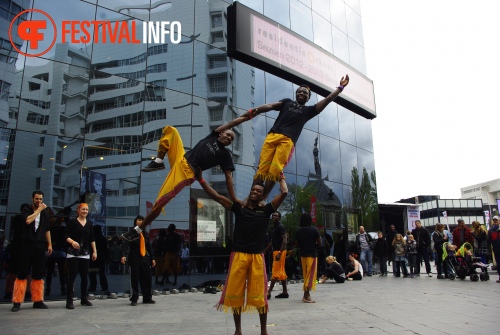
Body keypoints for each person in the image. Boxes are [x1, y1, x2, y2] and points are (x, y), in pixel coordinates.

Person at [216, 75, 349, 199]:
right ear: (296, 94)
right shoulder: (287, 102)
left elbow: (328, 99)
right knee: (262, 169)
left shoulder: (308, 111)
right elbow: (270, 105)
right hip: (272, 137)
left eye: (305, 93)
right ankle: (251, 199)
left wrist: (340, 88)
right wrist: (255, 111)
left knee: (275, 170)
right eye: (300, 91)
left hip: (287, 141)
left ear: (308, 98)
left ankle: (262, 199)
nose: (302, 93)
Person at [198, 171, 288, 335]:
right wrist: (201, 179)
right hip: (238, 256)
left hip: (256, 257)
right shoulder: (239, 208)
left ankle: (263, 331)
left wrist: (281, 177)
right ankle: (238, 330)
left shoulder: (266, 210)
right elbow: (217, 196)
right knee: (235, 295)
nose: (254, 192)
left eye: (258, 191)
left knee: (260, 295)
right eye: (253, 190)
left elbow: (284, 192)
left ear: (263, 196)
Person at [121, 123, 238, 242]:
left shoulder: (225, 154)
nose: (229, 138)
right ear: (221, 133)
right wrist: (250, 114)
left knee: (160, 202)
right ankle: (158, 161)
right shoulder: (212, 137)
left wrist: (234, 198)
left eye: (232, 139)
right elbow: (234, 122)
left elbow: (228, 176)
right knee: (171, 131)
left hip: (186, 173)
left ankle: (137, 230)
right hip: (181, 158)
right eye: (228, 135)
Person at [11, 191, 52, 312]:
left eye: (40, 199)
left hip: (39, 245)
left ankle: (38, 300)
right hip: (26, 244)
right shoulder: (27, 209)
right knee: (23, 272)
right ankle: (17, 301)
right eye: (37, 199)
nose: (39, 201)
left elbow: (47, 229)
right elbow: (28, 221)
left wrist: (49, 243)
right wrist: (38, 210)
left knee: (38, 273)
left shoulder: (45, 214)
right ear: (32, 198)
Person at [65, 203, 97, 309]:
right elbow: (65, 235)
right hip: (73, 252)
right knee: (72, 277)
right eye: (83, 209)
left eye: (87, 209)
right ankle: (69, 300)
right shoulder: (72, 222)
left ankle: (84, 298)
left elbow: (92, 238)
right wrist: (72, 241)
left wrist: (94, 251)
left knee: (85, 276)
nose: (85, 211)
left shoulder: (89, 223)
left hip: (85, 253)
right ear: (78, 210)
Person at [121, 215, 156, 306]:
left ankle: (147, 298)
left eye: (142, 220)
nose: (140, 222)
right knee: (134, 279)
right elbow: (125, 245)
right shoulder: (132, 233)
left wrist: (152, 258)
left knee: (147, 279)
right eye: (139, 220)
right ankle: (134, 298)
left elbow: (149, 247)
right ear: (135, 222)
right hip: (134, 259)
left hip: (145, 259)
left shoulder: (145, 234)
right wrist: (124, 255)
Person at [295, 213, 321, 303]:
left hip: (303, 255)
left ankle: (307, 295)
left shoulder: (298, 231)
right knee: (310, 275)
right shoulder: (314, 230)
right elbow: (320, 243)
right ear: (310, 220)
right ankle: (306, 295)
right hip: (312, 255)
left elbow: (297, 245)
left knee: (306, 274)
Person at [265, 211, 288, 299]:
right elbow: (272, 242)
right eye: (273, 215)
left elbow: (285, 239)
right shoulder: (274, 228)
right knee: (281, 271)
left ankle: (269, 292)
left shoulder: (280, 227)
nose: (274, 217)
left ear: (279, 218)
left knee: (275, 272)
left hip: (279, 252)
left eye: (276, 216)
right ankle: (285, 292)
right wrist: (265, 250)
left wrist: (279, 253)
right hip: (277, 251)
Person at [45, 207, 68, 297]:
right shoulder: (63, 228)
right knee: (62, 273)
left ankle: (48, 290)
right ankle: (63, 289)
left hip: (52, 251)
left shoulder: (51, 228)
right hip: (60, 252)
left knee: (50, 273)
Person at [88, 225, 109, 294]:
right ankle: (104, 286)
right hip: (101, 258)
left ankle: (93, 286)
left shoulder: (92, 238)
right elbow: (106, 250)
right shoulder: (103, 238)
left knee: (92, 273)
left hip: (93, 258)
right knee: (102, 273)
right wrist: (107, 258)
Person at [487, 215, 500, 283]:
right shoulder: (491, 230)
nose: (495, 222)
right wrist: (489, 250)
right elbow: (489, 240)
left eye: (496, 221)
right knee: (498, 264)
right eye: (494, 221)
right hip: (496, 249)